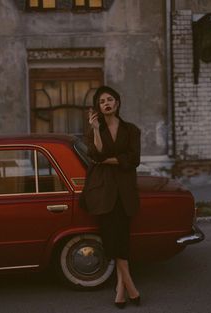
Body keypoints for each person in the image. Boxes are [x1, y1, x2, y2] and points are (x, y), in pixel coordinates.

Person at [86, 85, 141, 309]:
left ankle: (120, 289)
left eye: (110, 99)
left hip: (126, 189)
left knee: (123, 237)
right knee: (111, 237)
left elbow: (133, 159)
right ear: (98, 108)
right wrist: (97, 129)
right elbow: (96, 154)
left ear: (117, 103)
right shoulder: (93, 129)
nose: (107, 103)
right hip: (103, 189)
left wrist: (109, 160)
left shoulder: (131, 129)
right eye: (102, 101)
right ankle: (129, 286)